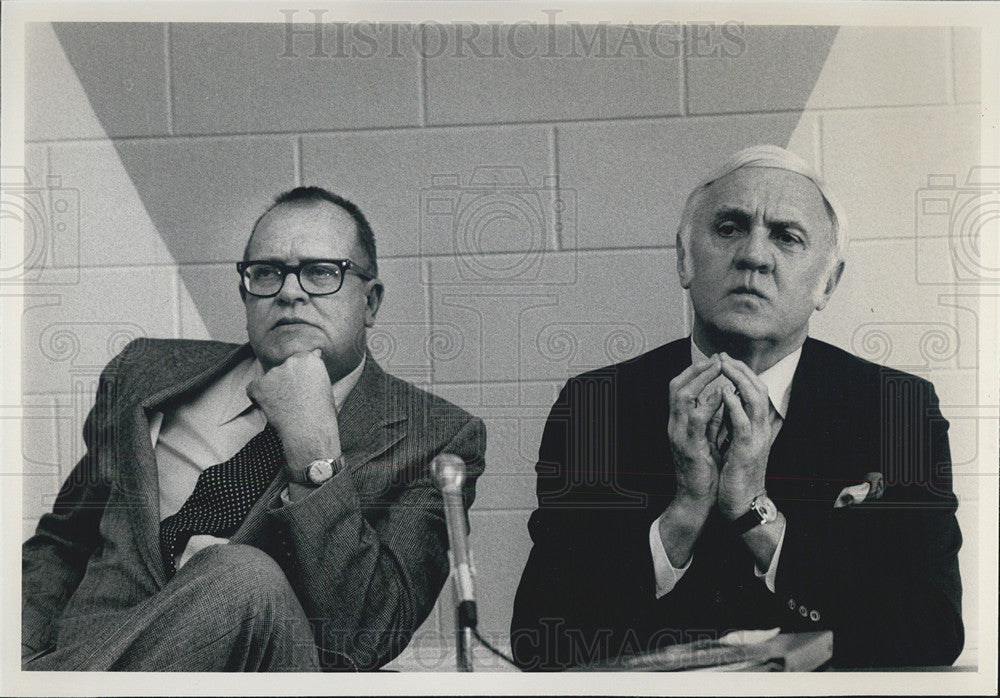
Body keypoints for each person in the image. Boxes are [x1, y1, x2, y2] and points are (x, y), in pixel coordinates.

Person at [510, 146, 963, 670]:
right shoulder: (595, 408)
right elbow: (542, 638)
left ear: (828, 283)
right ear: (684, 258)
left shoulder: (898, 410)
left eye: (787, 237)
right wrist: (683, 512)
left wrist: (754, 512)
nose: (754, 255)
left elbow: (931, 629)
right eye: (729, 228)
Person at [22, 187, 486, 671]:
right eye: (266, 273)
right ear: (245, 293)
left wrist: (314, 452)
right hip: (84, 662)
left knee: (244, 575)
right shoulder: (147, 373)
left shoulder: (436, 438)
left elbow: (365, 639)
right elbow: (64, 543)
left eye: (322, 273)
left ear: (370, 303)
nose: (289, 291)